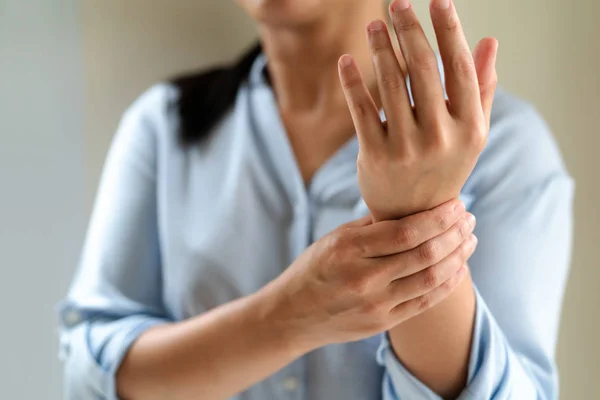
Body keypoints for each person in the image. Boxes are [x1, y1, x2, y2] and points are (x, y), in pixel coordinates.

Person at [58, 0, 574, 399]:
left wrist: (418, 211)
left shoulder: (506, 144)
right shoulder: (163, 128)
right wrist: (291, 315)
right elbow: (88, 374)